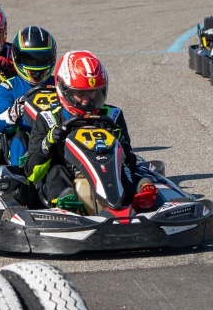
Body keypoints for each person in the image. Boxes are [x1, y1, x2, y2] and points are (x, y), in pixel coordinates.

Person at [23, 51, 145, 213]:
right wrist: (48, 142)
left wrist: (119, 142)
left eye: (92, 92)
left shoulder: (112, 115)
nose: (87, 100)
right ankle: (64, 199)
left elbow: (129, 159)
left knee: (128, 168)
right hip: (69, 176)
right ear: (64, 89)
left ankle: (139, 193)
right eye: (80, 93)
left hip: (107, 172)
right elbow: (32, 174)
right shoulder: (48, 119)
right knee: (56, 170)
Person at [0, 25, 58, 161]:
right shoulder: (7, 87)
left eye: (42, 59)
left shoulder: (60, 84)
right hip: (29, 144)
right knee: (20, 138)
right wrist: (13, 113)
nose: (36, 65)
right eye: (30, 59)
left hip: (57, 137)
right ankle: (19, 179)